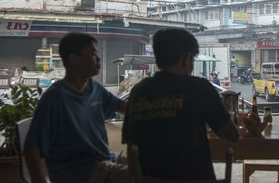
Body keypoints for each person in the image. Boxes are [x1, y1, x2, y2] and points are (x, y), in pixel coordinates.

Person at [122, 28, 239, 181]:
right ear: (186, 58)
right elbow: (232, 136)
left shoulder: (138, 91)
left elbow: (130, 146)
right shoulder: (200, 88)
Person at [24, 32, 128, 183]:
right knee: (139, 176)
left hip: (105, 160)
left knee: (151, 165)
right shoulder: (55, 98)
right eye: (92, 54)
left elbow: (123, 107)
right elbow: (31, 149)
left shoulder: (94, 88)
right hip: (79, 172)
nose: (98, 59)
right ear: (73, 59)